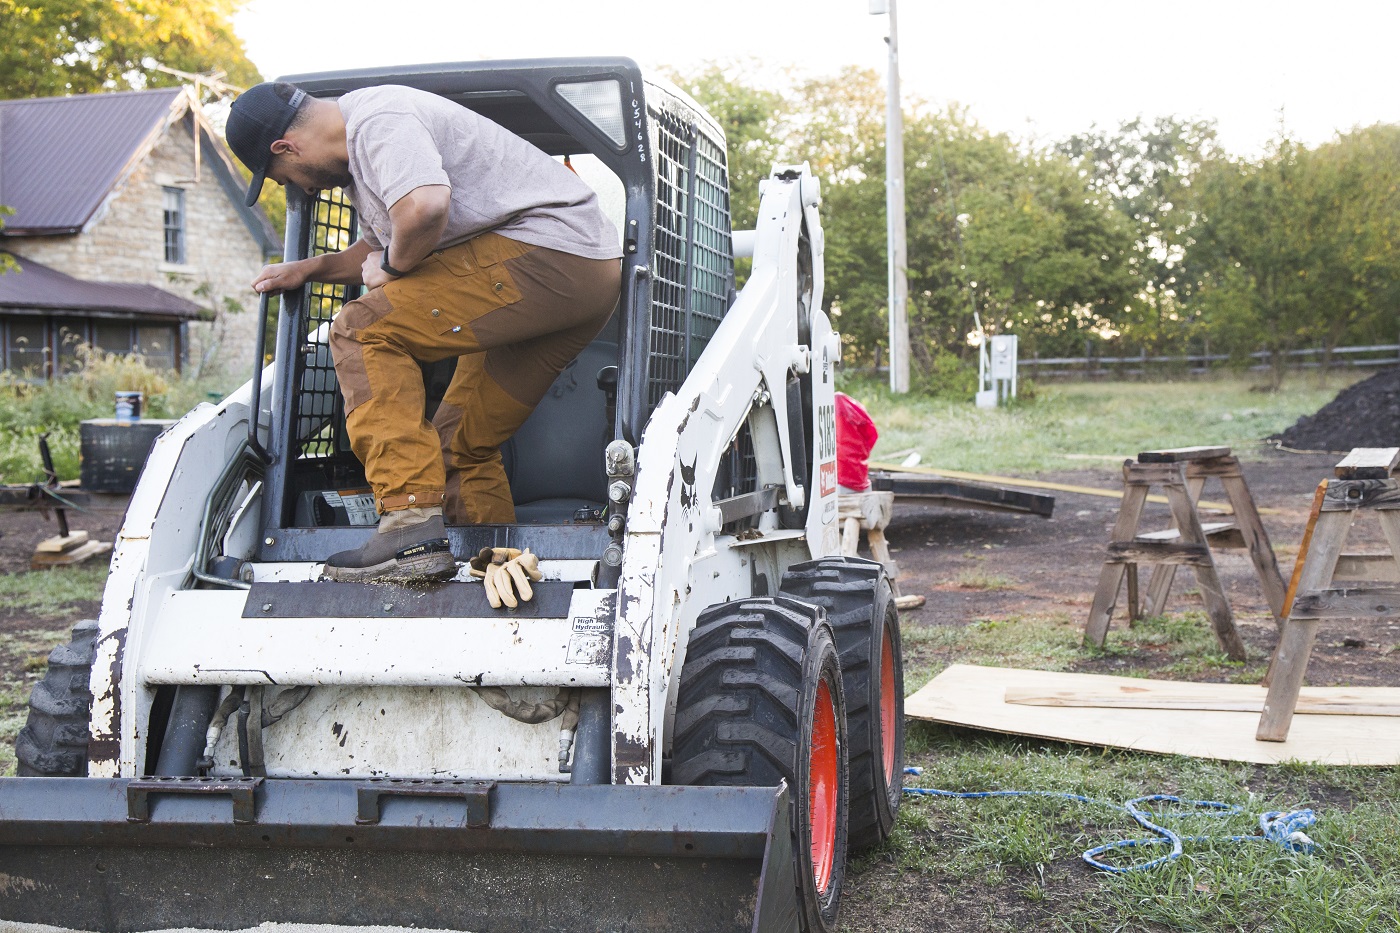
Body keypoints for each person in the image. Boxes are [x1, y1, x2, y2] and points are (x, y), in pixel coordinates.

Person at [226, 81, 621, 587]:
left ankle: (409, 526)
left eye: (284, 177)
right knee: (462, 444)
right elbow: (383, 246)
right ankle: (499, 568)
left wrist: (390, 266)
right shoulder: (367, 161)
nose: (302, 190)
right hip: (579, 278)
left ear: (287, 147)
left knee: (360, 330)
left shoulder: (377, 119)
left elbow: (425, 210)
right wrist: (312, 267)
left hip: (544, 257)